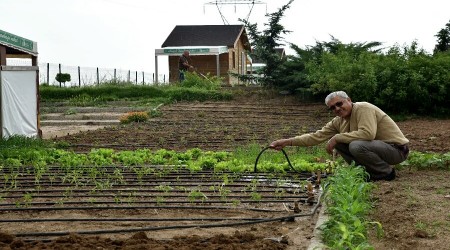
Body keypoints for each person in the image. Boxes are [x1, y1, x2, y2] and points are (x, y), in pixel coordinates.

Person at [270, 91, 409, 181]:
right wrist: (287, 142)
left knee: (355, 144)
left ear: (349, 100)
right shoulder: (339, 121)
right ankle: (366, 173)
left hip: (396, 150)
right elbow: (316, 136)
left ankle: (386, 173)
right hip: (378, 149)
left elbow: (368, 134)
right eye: (332, 108)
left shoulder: (363, 108)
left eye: (339, 103)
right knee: (343, 143)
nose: (337, 108)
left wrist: (337, 137)